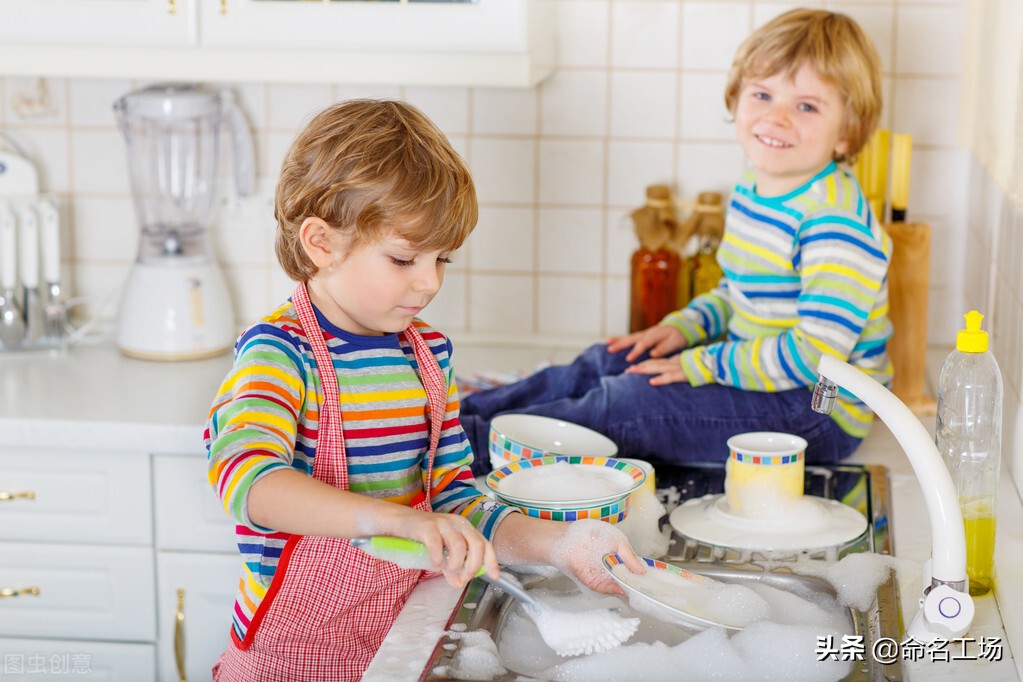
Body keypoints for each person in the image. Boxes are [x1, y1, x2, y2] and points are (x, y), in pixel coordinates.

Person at [204, 99, 644, 681]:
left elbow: (454, 504)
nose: (429, 281)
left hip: (403, 642)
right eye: (404, 257)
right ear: (320, 243)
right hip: (289, 662)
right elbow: (248, 481)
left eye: (443, 259)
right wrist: (393, 522)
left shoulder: (427, 356)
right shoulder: (282, 353)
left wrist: (560, 544)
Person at [461, 8, 893, 477]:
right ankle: (448, 420)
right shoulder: (758, 187)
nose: (777, 117)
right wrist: (682, 330)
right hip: (766, 376)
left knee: (629, 405)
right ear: (737, 97)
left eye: (806, 106)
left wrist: (700, 364)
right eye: (763, 94)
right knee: (613, 359)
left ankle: (465, 451)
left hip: (815, 412)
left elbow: (815, 358)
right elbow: (740, 293)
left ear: (846, 133)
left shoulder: (835, 223)